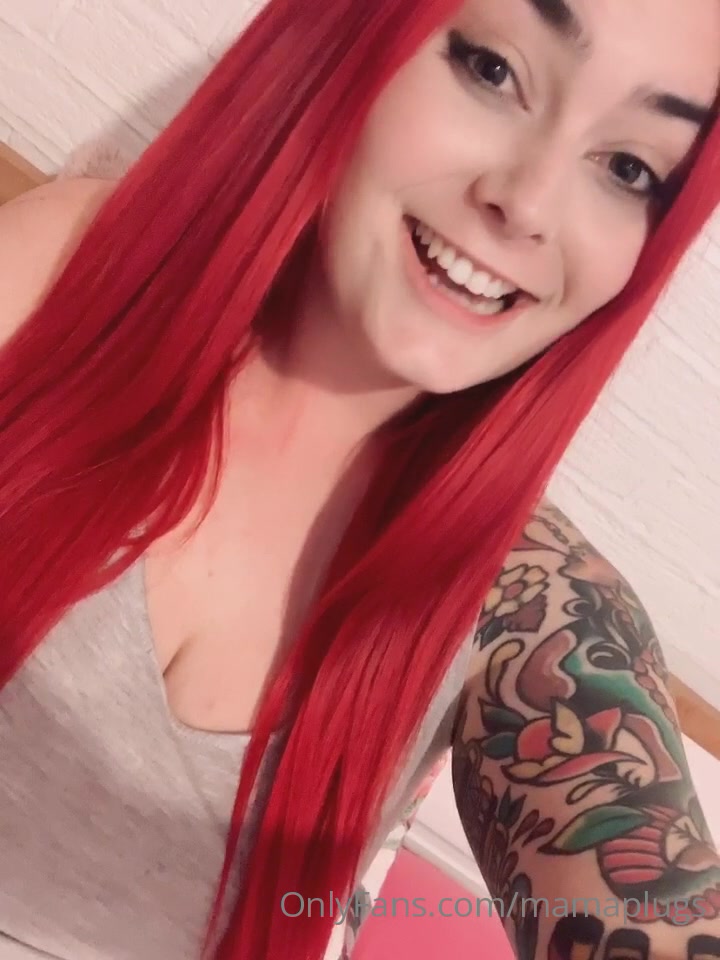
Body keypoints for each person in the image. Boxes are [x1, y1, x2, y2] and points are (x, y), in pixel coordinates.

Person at [0, 0, 719, 958]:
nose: (528, 203)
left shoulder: (535, 605)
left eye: (628, 167)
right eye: (494, 69)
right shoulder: (62, 282)